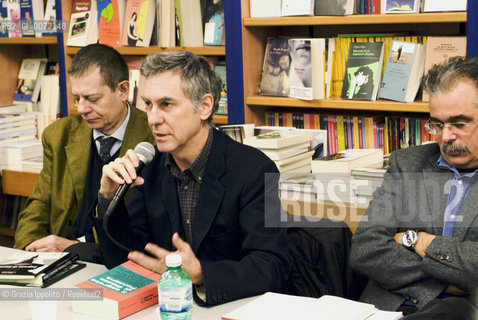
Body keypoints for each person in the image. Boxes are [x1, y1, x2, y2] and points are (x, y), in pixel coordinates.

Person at [92, 51, 290, 305]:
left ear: (204, 107)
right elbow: (127, 257)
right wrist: (108, 198)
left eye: (166, 104)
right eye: (148, 104)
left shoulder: (254, 169)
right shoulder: (150, 166)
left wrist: (200, 274)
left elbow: (272, 266)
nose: (152, 119)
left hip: (233, 307)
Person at [350, 56, 478, 319]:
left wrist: (420, 241)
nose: (446, 136)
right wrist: (450, 281)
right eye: (438, 124)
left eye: (460, 123)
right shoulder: (407, 164)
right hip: (388, 307)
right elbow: (366, 249)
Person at [14, 44, 155, 263]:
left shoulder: (153, 139)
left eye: (92, 99)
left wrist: (77, 248)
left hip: (117, 262)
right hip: (57, 261)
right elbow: (39, 204)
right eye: (77, 98)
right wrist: (26, 253)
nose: (81, 109)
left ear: (123, 90)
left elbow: (145, 234)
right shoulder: (59, 135)